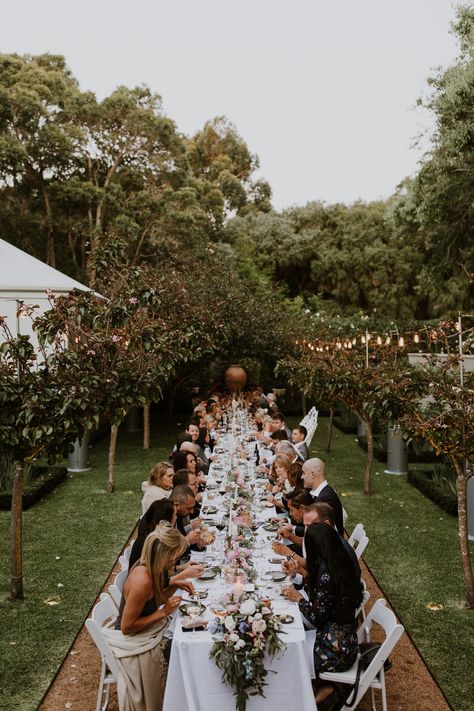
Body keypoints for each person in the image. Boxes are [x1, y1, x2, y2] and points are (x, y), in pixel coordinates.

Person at [106, 522, 191, 711]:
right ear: (164, 554)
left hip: (147, 629)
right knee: (176, 648)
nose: (175, 560)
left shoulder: (154, 568)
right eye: (174, 555)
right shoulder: (142, 579)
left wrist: (176, 585)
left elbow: (155, 599)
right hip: (133, 640)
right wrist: (163, 612)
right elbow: (127, 627)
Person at [283, 523, 362, 710]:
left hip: (334, 650)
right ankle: (320, 690)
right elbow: (323, 597)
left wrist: (298, 599)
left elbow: (316, 617)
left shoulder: (327, 574)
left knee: (289, 651)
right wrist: (299, 575)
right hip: (343, 638)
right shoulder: (337, 563)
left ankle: (305, 698)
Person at [301, 458, 344, 536]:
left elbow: (315, 533)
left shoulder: (325, 499)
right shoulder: (322, 493)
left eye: (303, 473)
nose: (301, 477)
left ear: (312, 475)